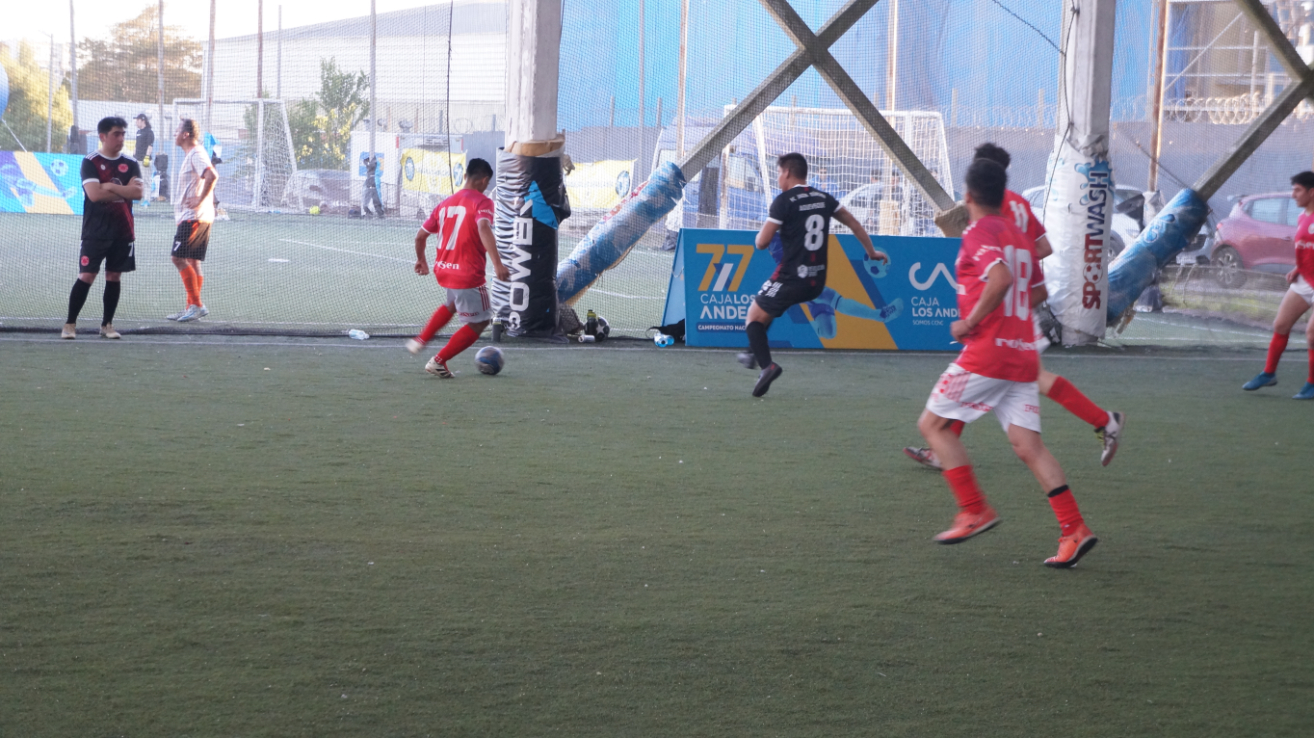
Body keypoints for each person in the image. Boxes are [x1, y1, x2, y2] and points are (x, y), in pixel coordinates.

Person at [917, 158, 1098, 568]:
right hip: (1021, 352)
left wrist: (970, 322)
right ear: (1003, 195)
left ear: (967, 197)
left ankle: (973, 510)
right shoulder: (1019, 235)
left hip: (989, 353)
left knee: (933, 426)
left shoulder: (978, 232)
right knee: (1029, 446)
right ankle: (1074, 529)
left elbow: (999, 278)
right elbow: (1037, 292)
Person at [904, 142, 1124, 468]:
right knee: (1010, 375)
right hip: (1017, 306)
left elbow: (1000, 261)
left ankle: (1103, 420)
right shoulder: (1019, 202)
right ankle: (1103, 421)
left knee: (985, 372)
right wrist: (1021, 268)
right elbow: (1043, 247)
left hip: (1002, 309)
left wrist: (1006, 273)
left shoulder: (994, 207)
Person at [736, 152, 890, 397]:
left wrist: (759, 236)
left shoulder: (783, 201)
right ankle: (751, 352)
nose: (778, 178)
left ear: (787, 172)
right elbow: (854, 223)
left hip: (791, 277)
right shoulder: (824, 198)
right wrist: (871, 252)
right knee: (769, 307)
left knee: (753, 318)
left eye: (779, 172)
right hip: (816, 282)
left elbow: (762, 243)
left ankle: (767, 367)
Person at [404, 158, 510, 377]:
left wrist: (421, 260)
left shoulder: (445, 203)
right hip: (468, 273)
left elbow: (420, 236)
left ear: (465, 176)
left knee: (452, 303)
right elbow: (483, 227)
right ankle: (438, 361)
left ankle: (421, 340)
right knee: (481, 321)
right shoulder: (482, 202)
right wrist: (498, 263)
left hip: (444, 269)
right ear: (484, 180)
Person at [63, 116, 145, 339]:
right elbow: (95, 195)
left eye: (123, 134)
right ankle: (69, 325)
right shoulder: (90, 161)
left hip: (123, 230)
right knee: (87, 275)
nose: (121, 138)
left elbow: (138, 193)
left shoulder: (131, 163)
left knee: (114, 276)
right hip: (95, 230)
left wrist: (108, 185)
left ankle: (107, 325)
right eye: (116, 134)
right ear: (103, 136)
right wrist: (122, 189)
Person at [1242, 171, 1314, 399]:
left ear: (1312, 192)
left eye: (1297, 190)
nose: (1293, 195)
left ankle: (1312, 383)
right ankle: (1268, 373)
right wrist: (1298, 267)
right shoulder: (1303, 217)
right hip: (1305, 280)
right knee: (1281, 324)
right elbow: (1307, 249)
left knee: (1312, 335)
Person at [166, 119, 218, 322]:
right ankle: (191, 307)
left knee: (177, 258)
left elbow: (212, 175)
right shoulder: (192, 154)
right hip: (198, 216)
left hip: (194, 217)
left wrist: (199, 199)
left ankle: (196, 304)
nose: (174, 134)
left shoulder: (196, 153)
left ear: (185, 134)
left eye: (177, 130)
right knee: (192, 260)